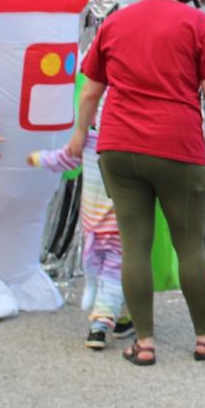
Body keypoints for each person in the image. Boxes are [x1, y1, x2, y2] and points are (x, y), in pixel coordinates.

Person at [70, 0, 205, 366]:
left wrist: (79, 134)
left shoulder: (114, 22)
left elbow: (90, 90)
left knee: (134, 247)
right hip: (175, 146)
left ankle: (143, 344)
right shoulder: (197, 24)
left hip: (118, 147)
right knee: (190, 247)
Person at [29, 103, 134, 350]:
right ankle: (123, 315)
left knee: (110, 270)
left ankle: (100, 323)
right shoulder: (123, 144)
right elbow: (67, 157)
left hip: (107, 225)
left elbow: (65, 158)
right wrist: (41, 158)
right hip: (109, 224)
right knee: (111, 271)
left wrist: (40, 159)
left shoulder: (90, 139)